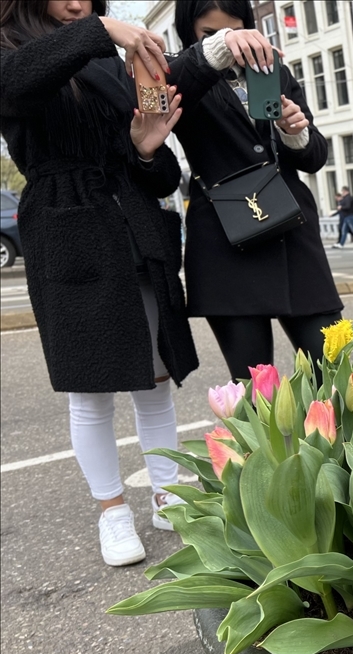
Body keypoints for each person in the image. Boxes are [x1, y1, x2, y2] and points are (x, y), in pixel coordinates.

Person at [0, 0, 200, 566]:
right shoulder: (13, 49)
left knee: (156, 382)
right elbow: (15, 84)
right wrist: (100, 30)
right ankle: (112, 510)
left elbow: (156, 172)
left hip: (133, 229)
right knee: (90, 390)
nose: (76, 3)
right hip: (69, 232)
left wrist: (145, 148)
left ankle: (167, 493)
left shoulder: (112, 61)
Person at [168, 0, 343, 383]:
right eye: (210, 33)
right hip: (226, 245)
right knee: (255, 393)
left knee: (338, 376)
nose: (228, 40)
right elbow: (159, 99)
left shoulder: (271, 70)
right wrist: (216, 49)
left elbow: (315, 157)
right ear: (189, 31)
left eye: (234, 30)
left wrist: (294, 132)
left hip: (292, 237)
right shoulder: (177, 71)